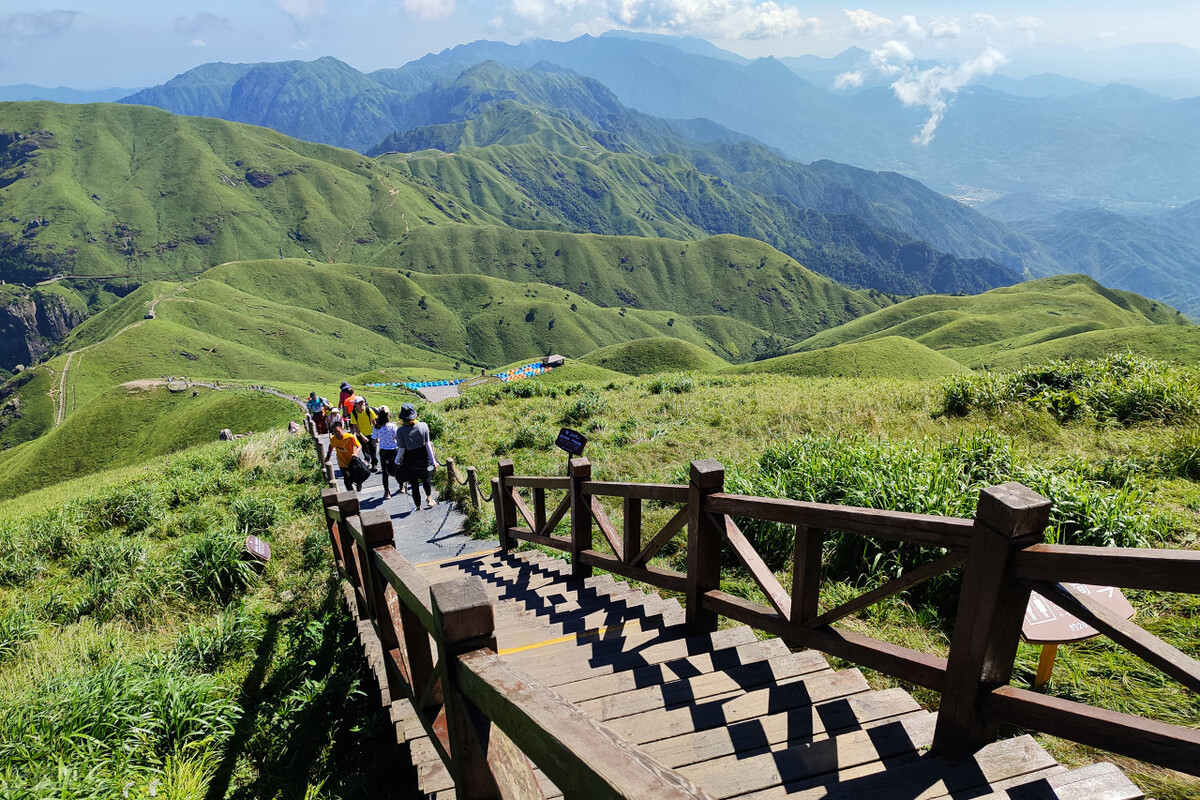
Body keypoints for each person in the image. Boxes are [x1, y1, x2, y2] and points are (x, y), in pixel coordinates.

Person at [397, 402, 437, 509]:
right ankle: (429, 498)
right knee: (426, 478)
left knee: (414, 484)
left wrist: (396, 461)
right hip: (423, 456)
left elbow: (401, 449)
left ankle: (418, 506)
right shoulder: (423, 426)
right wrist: (433, 460)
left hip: (409, 458)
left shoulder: (400, 431)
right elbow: (428, 444)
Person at [324, 417, 368, 492]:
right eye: (334, 432)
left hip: (352, 461)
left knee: (359, 475)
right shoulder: (333, 439)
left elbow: (359, 445)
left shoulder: (350, 437)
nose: (336, 434)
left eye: (338, 431)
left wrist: (355, 453)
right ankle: (351, 496)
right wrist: (328, 455)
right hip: (342, 463)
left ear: (342, 429)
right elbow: (331, 445)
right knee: (347, 480)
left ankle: (358, 483)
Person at [373, 405, 401, 499]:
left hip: (383, 451)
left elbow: (374, 439)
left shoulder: (376, 427)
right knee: (397, 469)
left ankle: (387, 492)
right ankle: (401, 486)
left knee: (385, 473)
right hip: (394, 449)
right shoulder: (393, 426)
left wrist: (381, 439)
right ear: (388, 415)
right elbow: (397, 437)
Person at [350, 396, 378, 470]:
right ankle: (367, 460)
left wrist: (377, 435)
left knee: (373, 448)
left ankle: (374, 464)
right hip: (360, 434)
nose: (361, 404)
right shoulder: (354, 413)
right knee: (365, 449)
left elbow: (374, 423)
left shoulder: (369, 410)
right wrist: (362, 436)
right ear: (355, 404)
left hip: (371, 433)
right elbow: (355, 426)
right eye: (359, 403)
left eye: (362, 402)